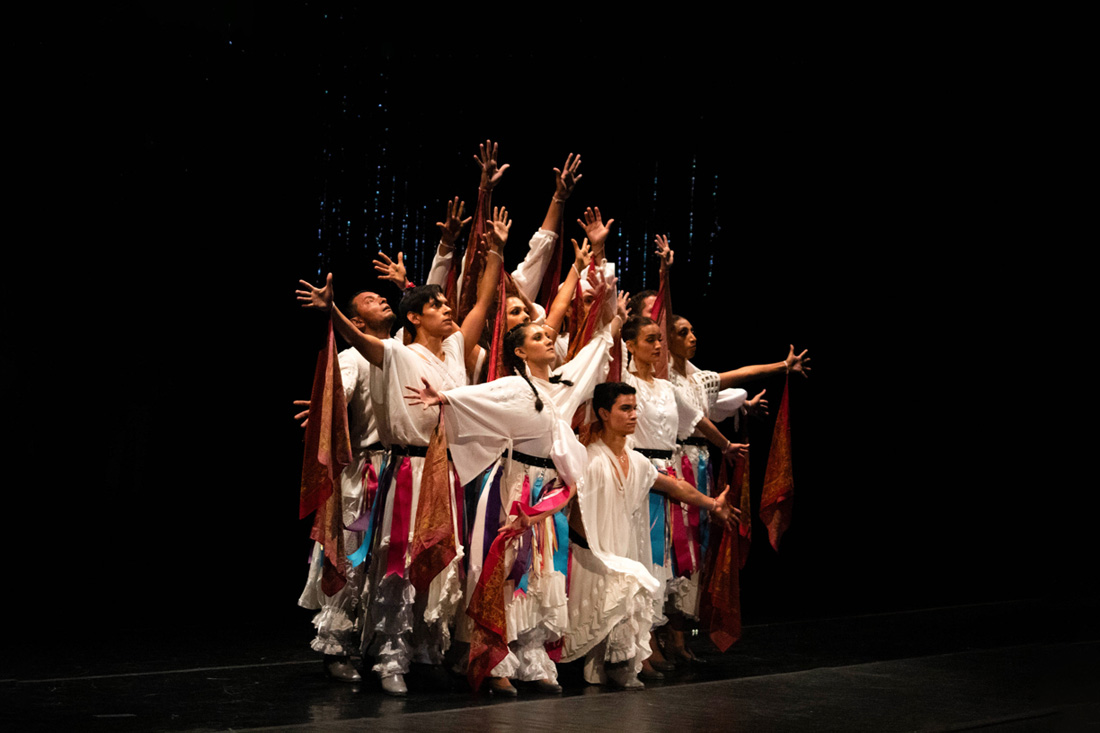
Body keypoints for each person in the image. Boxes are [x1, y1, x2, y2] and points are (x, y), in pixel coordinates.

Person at [296, 206, 510, 696]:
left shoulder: (453, 349)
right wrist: (331, 312)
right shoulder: (391, 350)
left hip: (443, 471)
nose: (448, 312)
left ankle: (415, 648)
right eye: (436, 307)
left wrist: (495, 250)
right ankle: (381, 655)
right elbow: (358, 347)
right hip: (399, 469)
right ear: (416, 317)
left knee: (431, 561)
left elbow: (480, 305)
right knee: (384, 558)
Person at [404, 282, 622, 695]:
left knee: (541, 573)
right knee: (507, 573)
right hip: (515, 488)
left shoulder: (560, 385)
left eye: (548, 335)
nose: (548, 339)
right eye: (537, 336)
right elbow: (475, 398)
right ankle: (493, 662)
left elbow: (593, 356)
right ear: (520, 352)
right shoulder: (512, 386)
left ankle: (533, 659)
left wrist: (611, 322)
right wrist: (444, 398)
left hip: (548, 492)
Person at [562, 382, 738, 689]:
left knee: (637, 578)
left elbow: (674, 486)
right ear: (604, 413)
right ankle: (618, 661)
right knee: (634, 578)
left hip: (614, 558)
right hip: (588, 557)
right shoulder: (588, 457)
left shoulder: (637, 461)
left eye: (635, 408)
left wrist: (712, 504)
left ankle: (621, 661)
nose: (633, 415)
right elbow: (565, 500)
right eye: (625, 409)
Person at [619, 315, 750, 678]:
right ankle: (638, 649)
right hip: (639, 472)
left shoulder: (664, 387)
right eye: (650, 340)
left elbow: (693, 421)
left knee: (664, 561)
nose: (659, 346)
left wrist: (725, 446)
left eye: (660, 339)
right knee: (641, 559)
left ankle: (651, 644)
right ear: (629, 345)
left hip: (667, 472)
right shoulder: (623, 381)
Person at [294, 291, 396, 682]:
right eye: (371, 300)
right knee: (351, 557)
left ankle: (387, 648)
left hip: (402, 468)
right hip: (365, 470)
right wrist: (324, 409)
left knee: (389, 563)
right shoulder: (352, 358)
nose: (381, 301)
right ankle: (335, 644)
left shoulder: (405, 352)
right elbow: (340, 395)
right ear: (358, 320)